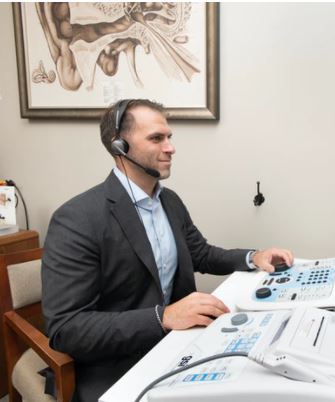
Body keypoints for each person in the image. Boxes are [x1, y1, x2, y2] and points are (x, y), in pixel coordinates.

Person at [41, 99, 293, 402]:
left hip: (178, 346)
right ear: (119, 146)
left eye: (169, 137)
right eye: (156, 138)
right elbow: (66, 329)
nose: (170, 147)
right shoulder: (77, 219)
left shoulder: (168, 201)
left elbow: (201, 253)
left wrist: (252, 257)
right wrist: (163, 317)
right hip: (116, 366)